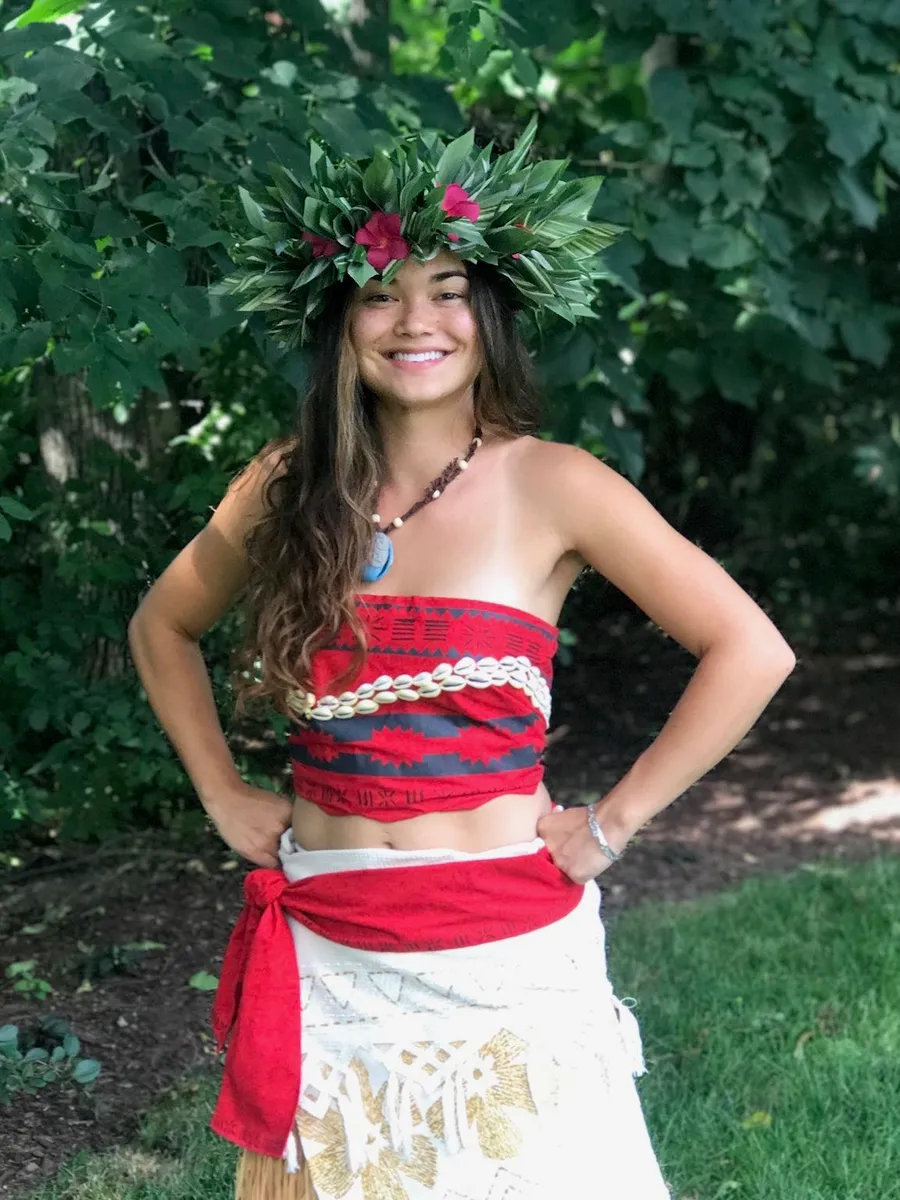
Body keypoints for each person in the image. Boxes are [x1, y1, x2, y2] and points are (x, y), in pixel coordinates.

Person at [128, 120, 795, 1200]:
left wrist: (612, 824)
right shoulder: (288, 484)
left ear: (490, 316)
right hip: (333, 934)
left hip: (501, 946)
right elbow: (163, 627)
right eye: (381, 293)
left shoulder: (554, 483)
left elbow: (750, 649)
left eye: (446, 290)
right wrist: (219, 790)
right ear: (339, 320)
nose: (414, 322)